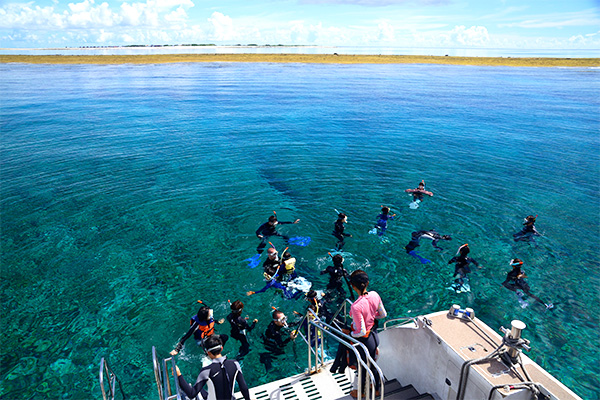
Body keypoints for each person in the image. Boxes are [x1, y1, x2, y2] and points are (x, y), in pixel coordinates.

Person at [347, 270, 387, 398]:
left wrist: (350, 333)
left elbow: (361, 331)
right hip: (375, 337)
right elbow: (382, 314)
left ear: (353, 286)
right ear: (367, 283)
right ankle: (375, 390)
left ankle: (361, 392)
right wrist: (371, 316)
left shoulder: (356, 306)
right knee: (373, 364)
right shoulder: (375, 295)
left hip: (365, 341)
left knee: (363, 368)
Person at [176, 335, 251, 400]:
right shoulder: (235, 363)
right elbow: (244, 388)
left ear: (208, 353)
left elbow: (192, 394)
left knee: (190, 392)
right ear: (221, 349)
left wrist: (179, 375)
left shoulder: (206, 371)